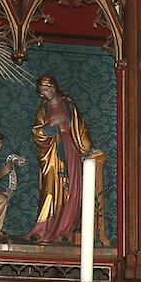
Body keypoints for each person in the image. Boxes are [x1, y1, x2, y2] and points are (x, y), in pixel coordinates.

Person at [27, 75, 96, 244]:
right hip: (51, 154)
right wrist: (50, 126)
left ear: (54, 87)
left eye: (47, 89)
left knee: (71, 188)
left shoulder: (69, 106)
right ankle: (43, 228)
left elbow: (81, 129)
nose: (45, 93)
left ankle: (64, 229)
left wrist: (88, 148)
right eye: (42, 91)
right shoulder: (43, 110)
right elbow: (36, 133)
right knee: (49, 190)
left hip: (70, 149)